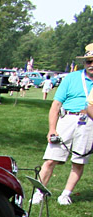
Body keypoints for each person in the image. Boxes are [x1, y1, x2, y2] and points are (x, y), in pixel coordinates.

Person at [34, 43, 93, 206]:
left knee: (79, 161)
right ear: (84, 63)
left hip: (89, 124)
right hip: (67, 119)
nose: (92, 65)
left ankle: (66, 194)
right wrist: (52, 129)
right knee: (51, 159)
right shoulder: (72, 78)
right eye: (89, 61)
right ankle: (40, 192)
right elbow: (56, 105)